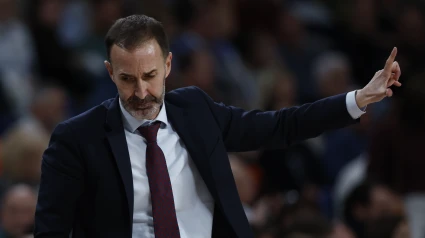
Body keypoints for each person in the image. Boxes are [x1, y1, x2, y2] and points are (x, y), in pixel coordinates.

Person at [33, 14, 402, 238]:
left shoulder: (195, 109)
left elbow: (280, 126)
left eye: (150, 75)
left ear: (168, 66)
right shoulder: (76, 139)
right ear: (110, 73)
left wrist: (356, 99)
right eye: (127, 79)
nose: (141, 91)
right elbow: (51, 231)